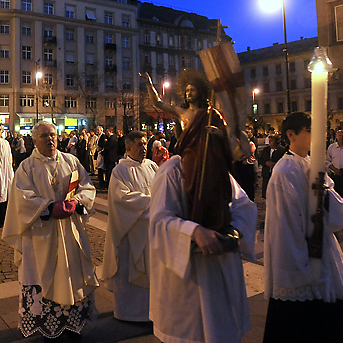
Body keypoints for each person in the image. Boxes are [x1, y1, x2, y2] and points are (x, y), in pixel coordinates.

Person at [149, 148, 257, 342]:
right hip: (190, 279)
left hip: (222, 270)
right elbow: (160, 222)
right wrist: (194, 232)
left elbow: (244, 205)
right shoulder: (172, 171)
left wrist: (236, 230)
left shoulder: (217, 170)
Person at [1, 121, 98, 338]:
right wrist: (48, 208)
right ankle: (46, 327)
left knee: (70, 274)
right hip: (40, 234)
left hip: (69, 232)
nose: (50, 139)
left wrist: (77, 202)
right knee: (41, 276)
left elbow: (87, 187)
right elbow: (22, 199)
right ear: (35, 140)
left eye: (53, 135)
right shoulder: (27, 167)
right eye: (44, 136)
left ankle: (73, 324)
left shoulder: (71, 161)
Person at [263, 112, 343, 343]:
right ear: (291, 135)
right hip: (302, 259)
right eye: (310, 130)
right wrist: (303, 267)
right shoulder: (284, 171)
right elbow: (286, 226)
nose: (318, 135)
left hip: (323, 250)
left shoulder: (311, 163)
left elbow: (337, 215)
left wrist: (324, 193)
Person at [101, 131, 158, 322]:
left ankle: (151, 311)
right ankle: (128, 312)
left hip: (150, 231)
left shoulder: (152, 166)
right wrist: (153, 202)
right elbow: (121, 199)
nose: (144, 148)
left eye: (145, 144)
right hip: (130, 230)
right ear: (128, 147)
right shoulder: (120, 170)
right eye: (140, 145)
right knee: (129, 270)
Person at [258, 134, 286, 199]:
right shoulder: (266, 150)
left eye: (272, 141)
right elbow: (260, 159)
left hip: (276, 174)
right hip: (266, 173)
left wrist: (275, 164)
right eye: (269, 141)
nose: (270, 142)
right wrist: (265, 163)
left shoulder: (282, 150)